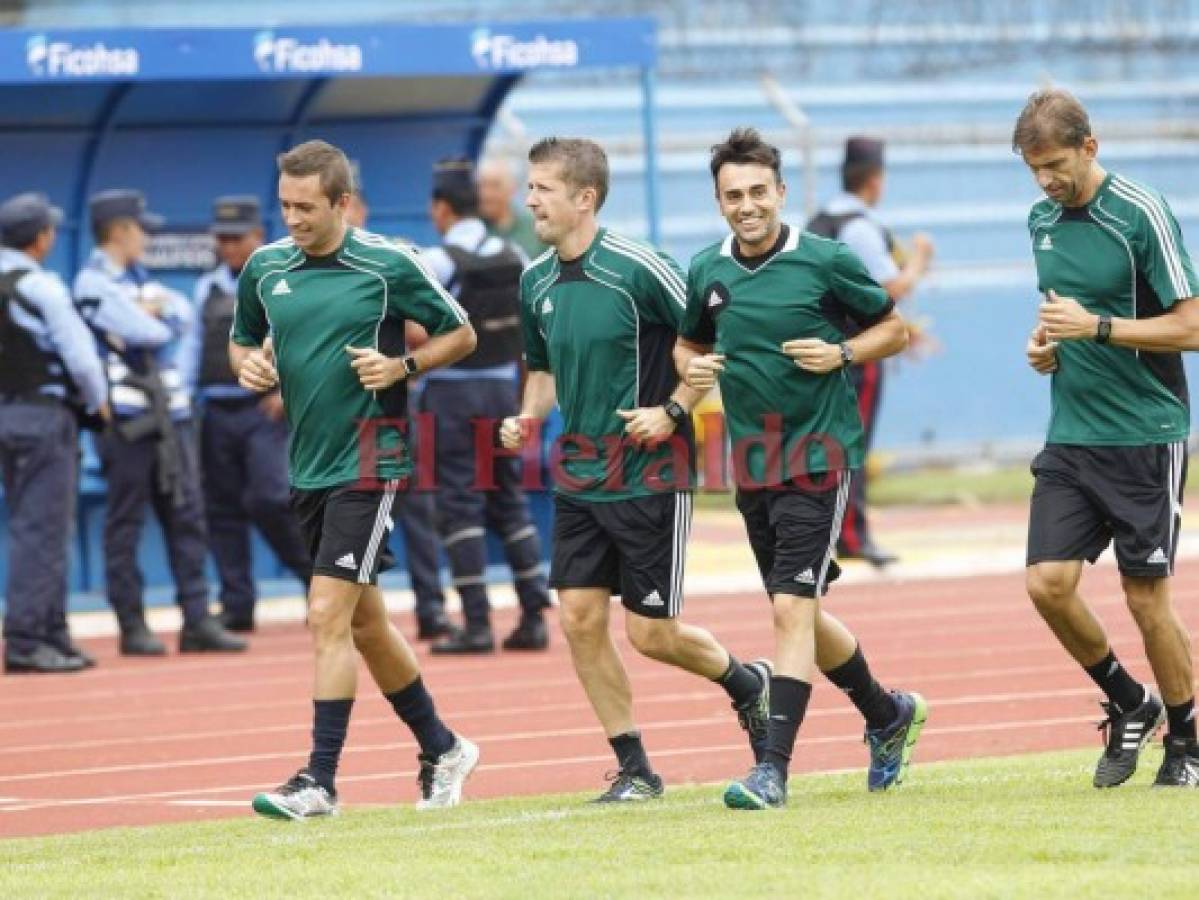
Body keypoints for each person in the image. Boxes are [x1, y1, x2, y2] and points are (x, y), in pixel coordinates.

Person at [500, 137, 770, 802]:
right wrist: (528, 417)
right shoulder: (533, 280)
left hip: (648, 475)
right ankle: (634, 768)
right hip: (579, 477)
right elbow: (541, 368)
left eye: (542, 188)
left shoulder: (639, 268)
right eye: (529, 186)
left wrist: (673, 412)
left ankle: (745, 682)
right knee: (579, 619)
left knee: (651, 634)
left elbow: (710, 343)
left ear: (584, 198)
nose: (528, 199)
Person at [677, 128, 927, 810]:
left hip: (819, 455)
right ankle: (886, 714)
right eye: (733, 195)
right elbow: (688, 346)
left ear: (781, 193)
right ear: (719, 201)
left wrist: (840, 353)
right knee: (801, 613)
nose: (747, 205)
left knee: (791, 608)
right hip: (751, 462)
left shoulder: (824, 260)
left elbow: (892, 329)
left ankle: (772, 772)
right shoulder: (706, 270)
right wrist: (691, 371)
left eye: (758, 191)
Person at [233, 140, 479, 818]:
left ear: (341, 203)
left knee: (324, 615)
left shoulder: (388, 264)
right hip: (308, 462)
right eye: (284, 205)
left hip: (373, 456)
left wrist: (402, 368)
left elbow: (460, 334)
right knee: (366, 625)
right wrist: (248, 366)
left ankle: (319, 780)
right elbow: (244, 339)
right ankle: (442, 745)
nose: (293, 218)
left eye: (306, 207)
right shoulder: (263, 268)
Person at [1016, 88, 1199, 788]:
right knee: (1046, 585)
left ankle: (1184, 740)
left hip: (1143, 434)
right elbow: (1061, 317)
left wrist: (1095, 329)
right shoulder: (1039, 221)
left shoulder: (1140, 213)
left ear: (1089, 147)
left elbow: (1189, 325)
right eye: (1034, 169)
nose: (1045, 182)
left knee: (1143, 597)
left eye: (1056, 165)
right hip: (1071, 431)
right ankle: (1129, 699)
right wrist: (1043, 346)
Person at [74, 190, 246, 656]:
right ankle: (132, 625)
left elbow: (180, 314)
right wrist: (155, 316)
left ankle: (196, 619)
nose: (147, 236)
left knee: (187, 517)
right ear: (119, 232)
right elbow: (147, 330)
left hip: (170, 418)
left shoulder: (141, 281)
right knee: (125, 523)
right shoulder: (92, 283)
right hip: (127, 424)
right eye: (141, 228)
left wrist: (156, 314)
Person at [421, 157, 551, 654]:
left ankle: (477, 623)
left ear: (443, 208)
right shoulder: (514, 253)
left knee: (459, 505)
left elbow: (415, 323)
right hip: (502, 392)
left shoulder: (440, 259)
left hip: (452, 393)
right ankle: (533, 614)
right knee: (508, 499)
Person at [179, 196, 313, 632]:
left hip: (264, 409)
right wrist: (183, 396)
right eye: (223, 239)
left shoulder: (281, 279)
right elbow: (195, 345)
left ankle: (317, 582)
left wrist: (290, 393)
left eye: (237, 238)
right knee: (222, 510)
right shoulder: (208, 286)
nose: (229, 247)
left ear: (257, 236)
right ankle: (237, 603)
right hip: (216, 409)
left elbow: (304, 340)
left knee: (271, 498)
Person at [807, 137, 935, 568]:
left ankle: (828, 533)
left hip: (821, 348)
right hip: (855, 354)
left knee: (827, 445)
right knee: (852, 444)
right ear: (874, 180)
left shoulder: (820, 221)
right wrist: (919, 260)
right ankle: (852, 537)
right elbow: (889, 288)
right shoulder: (859, 226)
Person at [0, 192, 109, 673]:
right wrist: (97, 403)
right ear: (40, 238)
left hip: (7, 415)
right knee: (43, 530)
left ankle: (52, 633)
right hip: (45, 417)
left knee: (36, 524)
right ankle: (27, 640)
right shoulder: (41, 287)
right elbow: (82, 360)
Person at [343, 187, 451, 640]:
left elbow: (430, 331)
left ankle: (431, 608)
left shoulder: (392, 261)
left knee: (417, 509)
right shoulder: (305, 269)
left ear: (359, 209)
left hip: (389, 413)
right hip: (334, 418)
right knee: (343, 514)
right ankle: (347, 604)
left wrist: (395, 357)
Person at [478, 156, 546, 259]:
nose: (486, 194)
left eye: (495, 186)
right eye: (481, 186)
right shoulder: (472, 228)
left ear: (511, 189)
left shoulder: (536, 229)